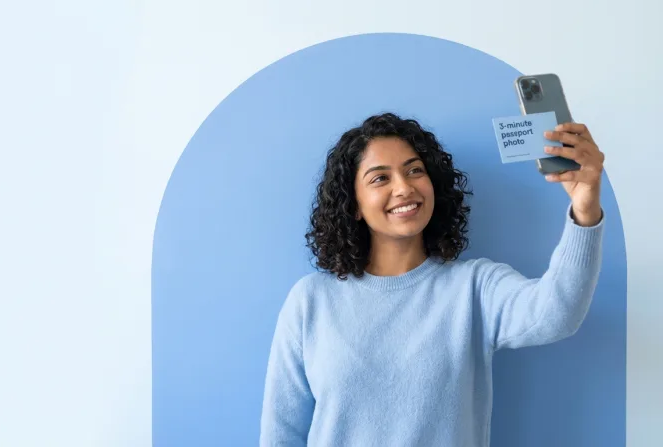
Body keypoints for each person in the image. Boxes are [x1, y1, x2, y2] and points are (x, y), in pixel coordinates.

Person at [259, 112, 605, 446]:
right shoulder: (311, 300)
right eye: (380, 178)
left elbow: (556, 313)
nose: (404, 188)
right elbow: (281, 434)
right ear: (354, 205)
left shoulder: (474, 287)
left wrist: (585, 207)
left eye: (414, 171)